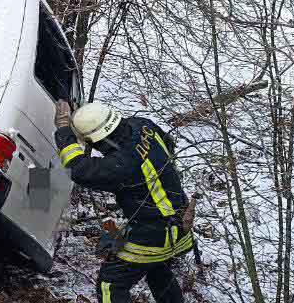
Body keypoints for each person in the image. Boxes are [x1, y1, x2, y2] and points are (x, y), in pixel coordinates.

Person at [54, 101, 193, 303]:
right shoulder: (142, 125)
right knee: (157, 270)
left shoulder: (121, 164)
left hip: (154, 233)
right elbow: (168, 145)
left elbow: (78, 169)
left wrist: (64, 130)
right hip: (180, 221)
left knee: (110, 285)